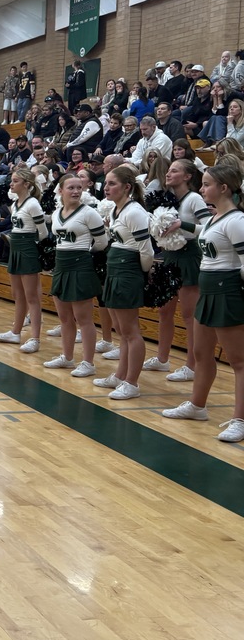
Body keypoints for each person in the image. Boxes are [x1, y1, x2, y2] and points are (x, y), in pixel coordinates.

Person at [160, 165, 244, 443]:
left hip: (227, 292)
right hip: (208, 292)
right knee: (201, 353)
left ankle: (240, 419)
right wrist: (179, 225)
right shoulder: (214, 218)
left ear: (224, 188)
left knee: (239, 361)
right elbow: (200, 230)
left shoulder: (237, 220)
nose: (201, 189)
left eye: (207, 184)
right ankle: (197, 406)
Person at [91, 165, 153, 400]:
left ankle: (132, 382)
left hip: (128, 272)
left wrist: (143, 273)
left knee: (131, 331)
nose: (106, 187)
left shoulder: (134, 212)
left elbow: (145, 250)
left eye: (112, 183)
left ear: (127, 187)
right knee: (121, 329)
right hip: (115, 269)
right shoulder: (118, 210)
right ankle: (120, 375)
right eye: (106, 183)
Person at [145, 159, 209, 381]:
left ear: (188, 176)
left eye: (174, 170)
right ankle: (162, 360)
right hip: (168, 256)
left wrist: (183, 225)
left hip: (189, 255)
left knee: (189, 315)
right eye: (169, 170)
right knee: (164, 311)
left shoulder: (194, 199)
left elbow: (210, 227)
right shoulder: (167, 199)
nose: (168, 173)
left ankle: (191, 366)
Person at [44, 173, 108, 376]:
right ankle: (67, 357)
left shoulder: (89, 213)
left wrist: (86, 255)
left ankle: (88, 363)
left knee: (84, 318)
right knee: (64, 317)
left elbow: (102, 242)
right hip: (61, 266)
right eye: (71, 188)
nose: (76, 191)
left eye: (79, 188)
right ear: (60, 191)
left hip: (81, 266)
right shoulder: (56, 213)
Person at [0, 169, 47, 352]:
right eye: (11, 180)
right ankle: (15, 332)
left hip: (28, 249)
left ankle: (35, 338)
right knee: (17, 294)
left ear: (27, 184)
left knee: (32, 297)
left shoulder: (33, 204)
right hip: (15, 249)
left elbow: (43, 232)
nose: (11, 184)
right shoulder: (15, 204)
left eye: (15, 181)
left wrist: (32, 246)